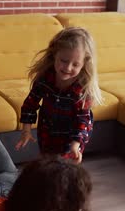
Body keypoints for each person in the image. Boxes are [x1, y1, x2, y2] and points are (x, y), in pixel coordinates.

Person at [15, 27, 103, 164]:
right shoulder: (45, 79)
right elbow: (30, 105)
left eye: (75, 64)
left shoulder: (82, 89)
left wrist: (75, 146)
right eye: (63, 60)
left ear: (84, 64)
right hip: (47, 131)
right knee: (47, 163)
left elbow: (82, 121)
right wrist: (26, 131)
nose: (68, 68)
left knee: (64, 167)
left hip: (72, 136)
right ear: (54, 54)